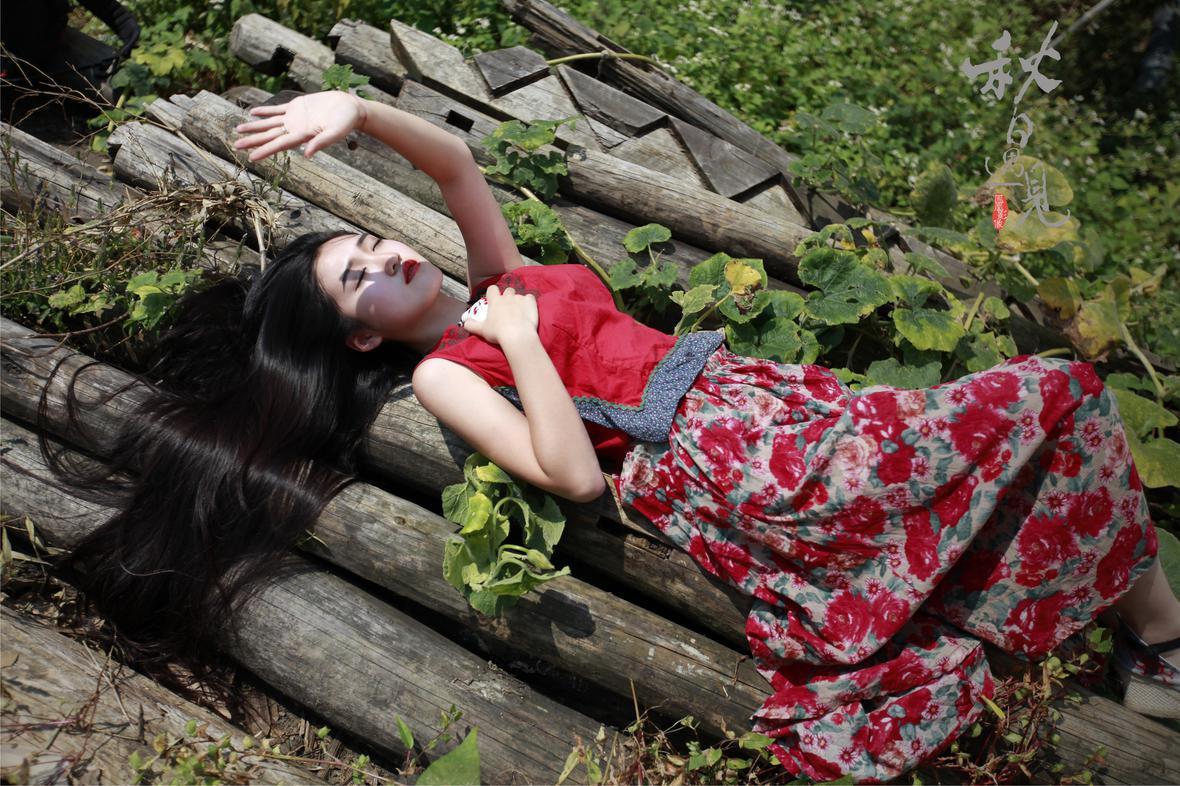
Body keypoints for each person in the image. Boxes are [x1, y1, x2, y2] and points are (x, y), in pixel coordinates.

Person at [52, 90, 1179, 782]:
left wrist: (357, 109)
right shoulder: (446, 372)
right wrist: (521, 342)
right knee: (1056, 394)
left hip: (766, 402)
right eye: (362, 279)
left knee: (1037, 416)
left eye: (368, 245)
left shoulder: (496, 278)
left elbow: (454, 165)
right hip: (729, 459)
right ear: (360, 339)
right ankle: (1161, 644)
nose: (388, 255)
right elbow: (573, 477)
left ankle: (1150, 643)